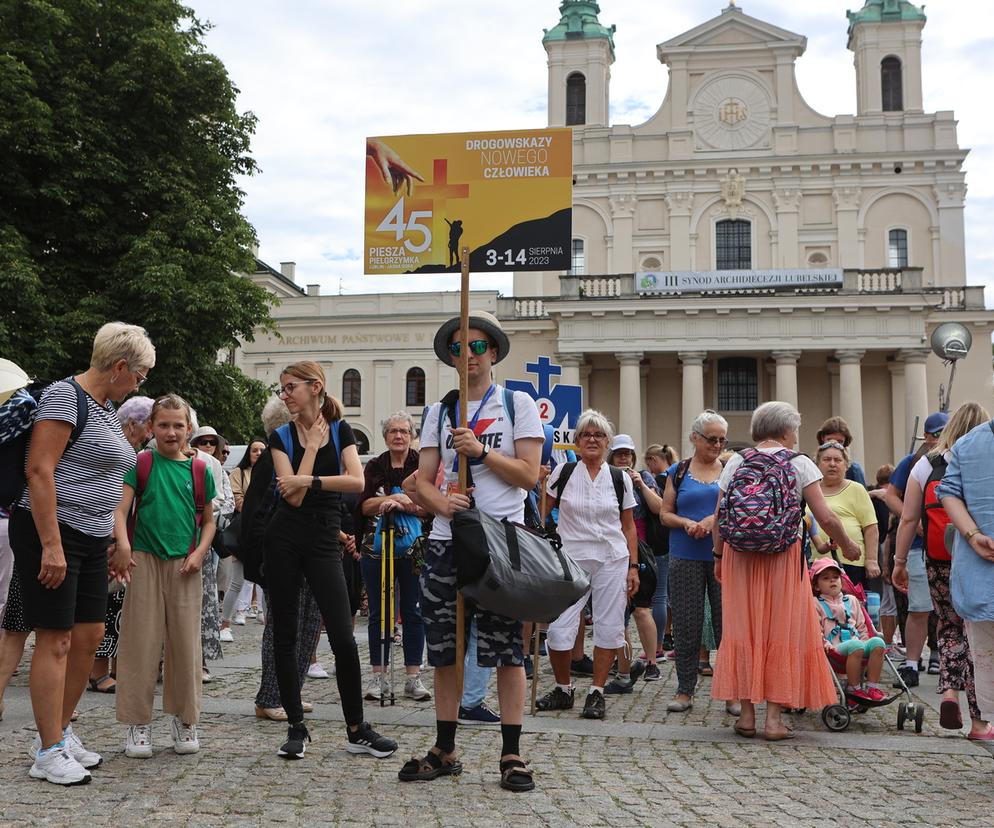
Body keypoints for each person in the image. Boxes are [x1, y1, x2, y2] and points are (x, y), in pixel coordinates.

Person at [400, 310, 543, 791]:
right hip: (447, 543)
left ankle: (511, 752)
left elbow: (528, 476)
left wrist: (480, 452)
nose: (469, 355)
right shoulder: (438, 413)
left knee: (507, 652)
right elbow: (421, 481)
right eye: (460, 348)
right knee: (445, 650)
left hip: (502, 544)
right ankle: (445, 747)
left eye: (478, 346)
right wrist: (446, 505)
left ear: (494, 353)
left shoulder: (517, 403)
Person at [10, 321, 154, 784]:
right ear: (119, 368)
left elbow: (111, 480)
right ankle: (48, 750)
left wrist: (117, 539)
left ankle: (61, 730)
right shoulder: (64, 397)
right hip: (53, 532)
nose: (140, 384)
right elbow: (39, 470)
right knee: (55, 639)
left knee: (89, 634)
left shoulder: (106, 409)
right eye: (140, 375)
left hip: (93, 538)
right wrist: (51, 545)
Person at [265, 361, 396, 760]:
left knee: (342, 634)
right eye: (282, 388)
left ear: (315, 387)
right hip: (284, 537)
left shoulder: (341, 430)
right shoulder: (280, 436)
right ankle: (296, 727)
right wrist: (307, 457)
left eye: (290, 388)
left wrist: (308, 479)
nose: (284, 395)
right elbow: (293, 497)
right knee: (285, 635)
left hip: (324, 537)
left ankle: (357, 729)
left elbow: (356, 482)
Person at [711, 401, 860, 741]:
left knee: (743, 629)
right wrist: (848, 546)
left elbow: (719, 516)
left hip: (740, 556)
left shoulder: (736, 460)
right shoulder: (800, 464)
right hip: (782, 555)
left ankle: (747, 716)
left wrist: (719, 556)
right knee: (782, 630)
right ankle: (774, 720)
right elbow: (826, 517)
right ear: (786, 430)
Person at [110, 394, 217, 758]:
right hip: (144, 560)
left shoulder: (200, 469)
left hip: (186, 564)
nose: (171, 432)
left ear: (189, 428)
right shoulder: (140, 462)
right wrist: (123, 546)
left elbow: (209, 522)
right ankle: (138, 723)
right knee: (141, 643)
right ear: (151, 427)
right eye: (163, 425)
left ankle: (185, 719)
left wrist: (200, 553)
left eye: (178, 425)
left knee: (186, 645)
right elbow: (120, 511)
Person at [895, 401, 991, 738]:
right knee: (980, 639)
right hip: (978, 559)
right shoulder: (982, 454)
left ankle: (949, 691)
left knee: (949, 628)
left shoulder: (927, 463)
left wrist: (899, 561)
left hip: (938, 559)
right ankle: (980, 722)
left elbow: (908, 518)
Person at [536, 410, 639, 720]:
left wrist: (633, 566)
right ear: (577, 441)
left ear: (607, 442)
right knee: (558, 630)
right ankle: (563, 688)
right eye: (586, 434)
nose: (592, 439)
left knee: (609, 626)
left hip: (612, 559)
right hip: (571, 559)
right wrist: (540, 485)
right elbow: (543, 513)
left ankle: (596, 692)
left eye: (598, 435)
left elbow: (629, 526)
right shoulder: (564, 473)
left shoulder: (620, 478)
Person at [659, 410, 736, 715]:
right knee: (687, 624)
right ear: (694, 438)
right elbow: (665, 513)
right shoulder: (678, 471)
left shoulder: (730, 469)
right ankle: (684, 689)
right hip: (685, 554)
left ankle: (731, 692)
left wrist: (711, 519)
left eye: (721, 439)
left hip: (723, 557)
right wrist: (686, 523)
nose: (717, 445)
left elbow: (737, 507)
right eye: (711, 439)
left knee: (726, 625)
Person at [251, 397, 323, 723]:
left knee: (307, 626)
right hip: (283, 555)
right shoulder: (274, 457)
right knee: (283, 628)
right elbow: (265, 510)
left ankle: (290, 694)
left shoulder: (302, 454)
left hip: (309, 551)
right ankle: (269, 697)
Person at [357, 412, 429, 702]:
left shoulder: (422, 464)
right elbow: (364, 505)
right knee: (379, 613)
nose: (398, 436)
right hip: (376, 548)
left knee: (413, 612)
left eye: (403, 431)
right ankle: (379, 675)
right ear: (385, 436)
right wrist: (394, 501)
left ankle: (413, 677)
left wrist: (400, 502)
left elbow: (428, 505)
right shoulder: (375, 466)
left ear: (411, 435)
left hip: (415, 549)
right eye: (392, 431)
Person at [87, 394, 155, 695]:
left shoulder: (131, 454)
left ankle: (110, 669)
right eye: (148, 426)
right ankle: (98, 671)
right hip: (110, 537)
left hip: (120, 536)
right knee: (104, 605)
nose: (150, 433)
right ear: (132, 425)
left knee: (115, 607)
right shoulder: (123, 455)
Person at [937, 413, 994, 743]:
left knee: (988, 661)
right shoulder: (969, 443)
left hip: (978, 572)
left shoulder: (968, 443)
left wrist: (973, 536)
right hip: (979, 572)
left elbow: (949, 492)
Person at [883, 411, 947, 687]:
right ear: (929, 436)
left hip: (951, 545)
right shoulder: (913, 462)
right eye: (936, 434)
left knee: (948, 611)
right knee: (919, 607)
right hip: (921, 545)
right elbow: (890, 496)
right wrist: (917, 520)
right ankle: (912, 663)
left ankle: (940, 656)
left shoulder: (959, 458)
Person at [605, 434, 661, 692]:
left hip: (640, 548)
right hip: (611, 548)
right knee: (618, 614)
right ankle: (623, 665)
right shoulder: (606, 476)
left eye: (627, 453)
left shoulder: (644, 477)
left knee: (642, 608)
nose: (624, 457)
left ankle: (652, 661)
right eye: (619, 454)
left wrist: (640, 485)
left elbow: (659, 508)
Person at [811, 558, 887, 702]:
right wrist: (824, 645)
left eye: (835, 577)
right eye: (826, 578)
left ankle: (871, 687)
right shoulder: (815, 604)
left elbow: (861, 626)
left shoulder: (851, 600)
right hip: (834, 648)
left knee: (878, 643)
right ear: (816, 586)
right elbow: (815, 630)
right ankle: (854, 688)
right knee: (855, 645)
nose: (832, 581)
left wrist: (866, 641)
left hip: (857, 642)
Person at [189, 424, 232, 680]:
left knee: (203, 603)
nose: (207, 446)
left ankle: (201, 662)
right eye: (202, 441)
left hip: (204, 541)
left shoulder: (215, 468)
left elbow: (223, 501)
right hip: (170, 541)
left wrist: (203, 511)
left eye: (211, 442)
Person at [812, 441, 880, 586]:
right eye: (826, 460)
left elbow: (870, 527)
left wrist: (871, 560)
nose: (832, 464)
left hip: (850, 563)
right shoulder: (810, 490)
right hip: (815, 563)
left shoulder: (856, 489)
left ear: (846, 465)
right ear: (817, 464)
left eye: (837, 460)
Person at [220, 438, 268, 641]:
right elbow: (237, 500)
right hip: (245, 531)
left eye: (261, 450)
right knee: (237, 581)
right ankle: (225, 624)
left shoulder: (273, 471)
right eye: (254, 450)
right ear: (248, 453)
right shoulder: (239, 473)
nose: (257, 453)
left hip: (266, 531)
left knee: (267, 583)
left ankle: (269, 623)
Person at [644, 444, 678, 654]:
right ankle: (667, 636)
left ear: (654, 461)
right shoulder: (676, 478)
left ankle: (657, 645)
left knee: (659, 596)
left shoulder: (657, 481)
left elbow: (657, 510)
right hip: (672, 541)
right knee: (669, 595)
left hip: (658, 543)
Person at [815, 417, 867, 485]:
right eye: (829, 440)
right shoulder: (810, 467)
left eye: (839, 442)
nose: (834, 444)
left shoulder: (854, 470)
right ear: (822, 438)